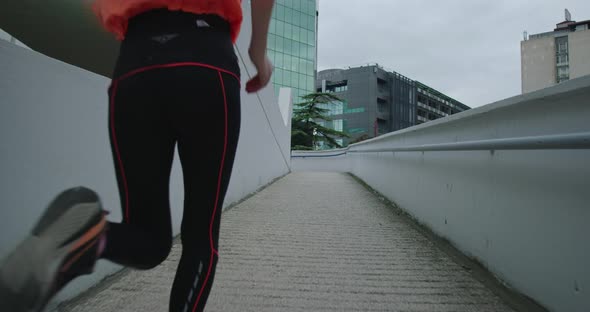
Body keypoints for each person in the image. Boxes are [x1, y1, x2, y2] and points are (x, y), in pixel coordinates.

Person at [0, 0, 274, 311]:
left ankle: (87, 237)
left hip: (136, 62)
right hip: (205, 59)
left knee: (147, 240)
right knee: (201, 236)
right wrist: (258, 52)